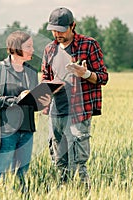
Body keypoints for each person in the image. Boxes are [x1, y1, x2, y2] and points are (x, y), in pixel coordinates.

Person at [41, 7, 109, 190]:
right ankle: (62, 192)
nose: (57, 34)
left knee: (79, 161)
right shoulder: (49, 50)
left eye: (61, 30)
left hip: (79, 112)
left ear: (73, 26)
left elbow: (103, 77)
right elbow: (45, 79)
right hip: (56, 112)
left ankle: (82, 193)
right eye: (54, 30)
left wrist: (86, 73)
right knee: (58, 160)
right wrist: (39, 94)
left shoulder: (89, 45)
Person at [0, 30, 51, 192]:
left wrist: (44, 100)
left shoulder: (31, 71)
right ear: (16, 48)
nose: (33, 50)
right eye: (28, 46)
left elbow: (33, 103)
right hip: (6, 130)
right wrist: (16, 100)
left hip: (27, 129)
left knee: (22, 176)